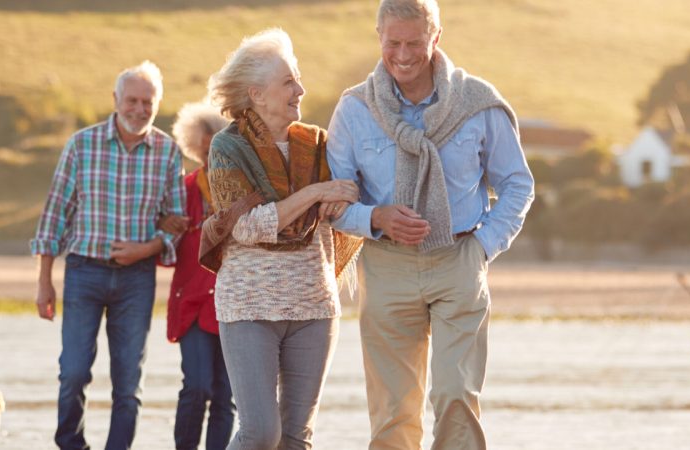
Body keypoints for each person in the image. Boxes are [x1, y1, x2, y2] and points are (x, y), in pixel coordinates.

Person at [326, 1, 535, 447]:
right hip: (384, 267)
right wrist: (375, 217)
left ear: (436, 37)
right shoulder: (354, 110)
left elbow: (518, 185)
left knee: (455, 394)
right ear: (379, 36)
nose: (403, 54)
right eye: (393, 43)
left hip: (459, 260)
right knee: (392, 412)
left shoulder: (478, 103)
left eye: (414, 43)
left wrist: (481, 248)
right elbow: (333, 201)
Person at [200, 28, 363, 449]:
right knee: (259, 433)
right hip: (249, 308)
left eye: (298, 79)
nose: (300, 90)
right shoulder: (227, 148)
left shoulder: (320, 143)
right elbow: (247, 226)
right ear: (256, 94)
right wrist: (314, 193)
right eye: (289, 81)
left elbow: (350, 196)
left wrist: (343, 195)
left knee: (296, 438)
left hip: (314, 306)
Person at [32, 61, 186, 450]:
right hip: (84, 272)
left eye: (147, 102)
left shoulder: (168, 153)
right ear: (115, 100)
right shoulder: (81, 145)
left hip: (137, 278)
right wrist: (44, 282)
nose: (139, 108)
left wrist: (147, 249)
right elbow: (54, 216)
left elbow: (177, 224)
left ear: (157, 103)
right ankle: (71, 443)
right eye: (131, 100)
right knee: (73, 372)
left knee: (128, 382)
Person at [163, 102, 235, 450]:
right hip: (192, 302)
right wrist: (166, 227)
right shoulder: (185, 188)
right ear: (196, 148)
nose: (212, 154)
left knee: (226, 394)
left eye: (219, 145)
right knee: (197, 387)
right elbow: (165, 254)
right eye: (206, 148)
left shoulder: (243, 190)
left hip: (236, 303)